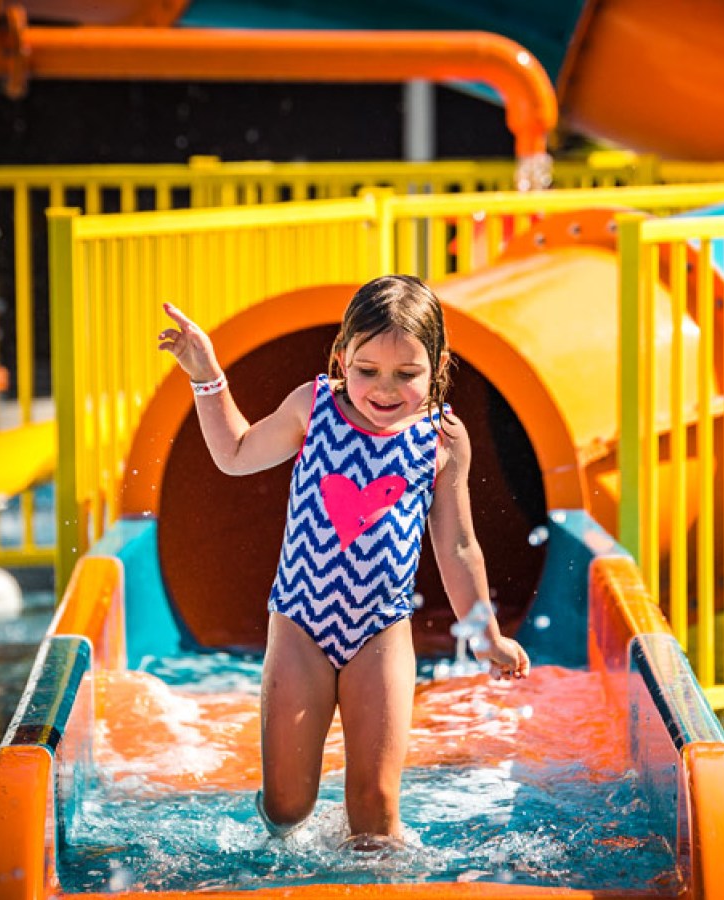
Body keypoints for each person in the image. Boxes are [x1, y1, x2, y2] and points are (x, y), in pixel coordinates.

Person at [157, 274, 530, 848]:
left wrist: (488, 636)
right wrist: (206, 376)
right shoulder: (315, 407)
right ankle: (283, 820)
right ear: (341, 358)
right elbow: (234, 455)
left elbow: (457, 545)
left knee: (376, 815)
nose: (384, 389)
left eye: (407, 374)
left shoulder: (442, 441)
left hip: (382, 629)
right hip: (301, 623)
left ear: (437, 365)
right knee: (287, 808)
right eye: (367, 371)